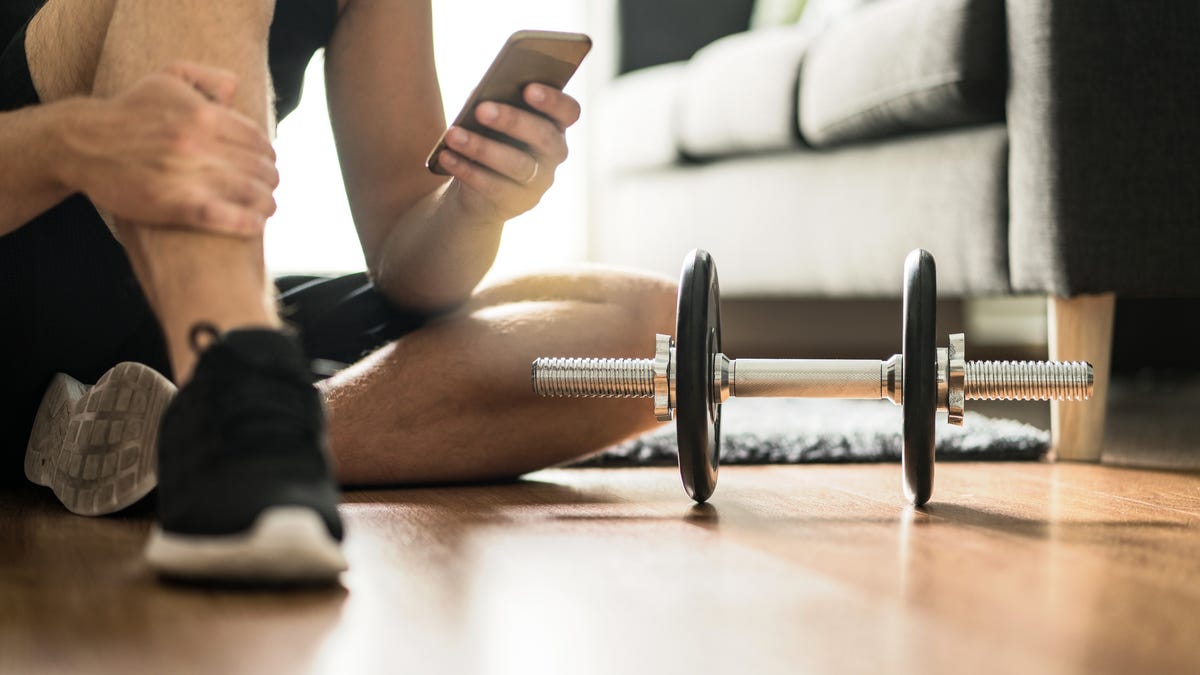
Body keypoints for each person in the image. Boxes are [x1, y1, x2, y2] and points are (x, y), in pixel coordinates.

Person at [0, 0, 676, 582]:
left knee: (657, 334)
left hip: (154, 333)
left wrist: (473, 205)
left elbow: (406, 268)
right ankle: (237, 417)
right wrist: (73, 142)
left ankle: (206, 435)